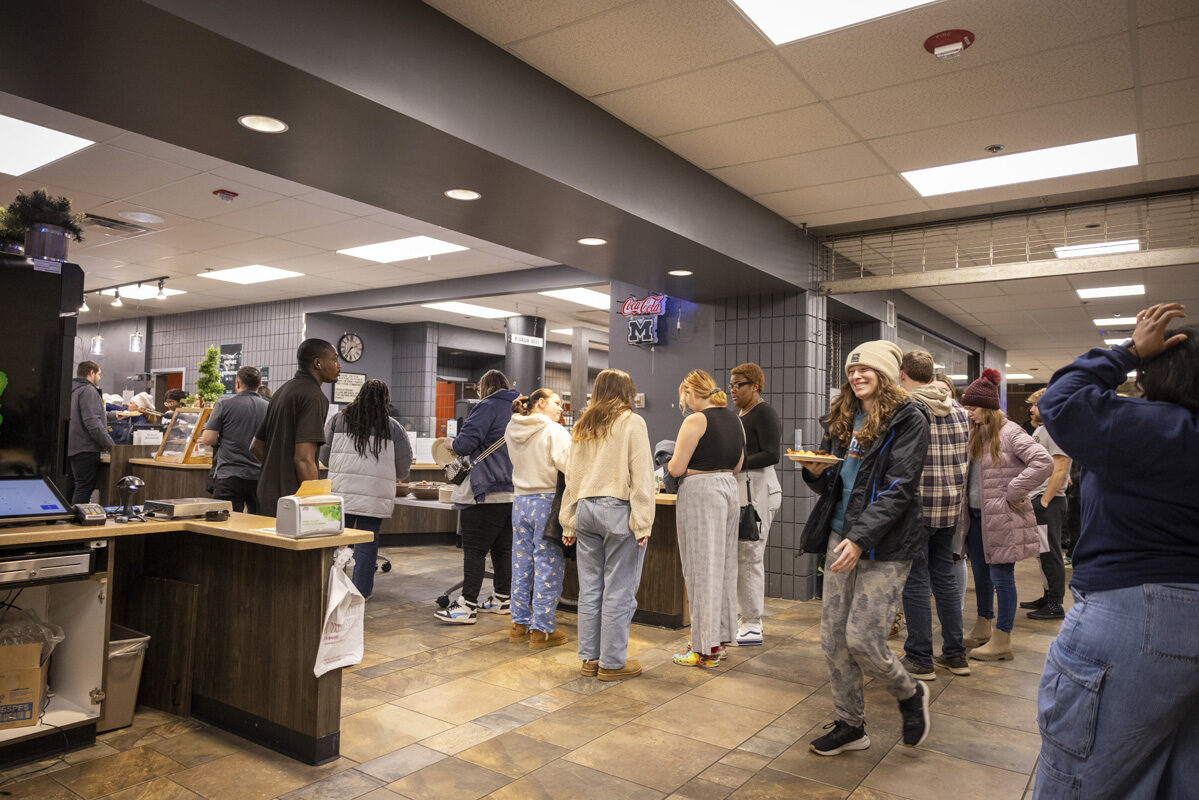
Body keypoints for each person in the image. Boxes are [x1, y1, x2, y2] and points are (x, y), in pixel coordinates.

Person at [1033, 302, 1197, 799]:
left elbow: (1061, 399)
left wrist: (1126, 349)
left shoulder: (1149, 427)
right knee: (1177, 775)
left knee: (1081, 777)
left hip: (1136, 611)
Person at [797, 341, 932, 756]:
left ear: (886, 374)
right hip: (842, 535)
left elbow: (898, 488)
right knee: (833, 638)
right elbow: (837, 482)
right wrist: (816, 473)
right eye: (852, 370)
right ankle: (851, 725)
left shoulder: (909, 418)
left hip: (886, 545)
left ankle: (909, 693)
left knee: (863, 639)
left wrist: (859, 539)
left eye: (865, 369)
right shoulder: (844, 415)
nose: (856, 375)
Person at [561, 368, 656, 681]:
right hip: (617, 510)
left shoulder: (583, 424)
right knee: (619, 589)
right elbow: (642, 475)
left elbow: (571, 477)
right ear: (625, 392)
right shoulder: (632, 422)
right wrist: (642, 522)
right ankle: (613, 663)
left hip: (586, 511)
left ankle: (590, 659)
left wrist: (569, 522)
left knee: (590, 590)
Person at [958, 369, 1052, 661]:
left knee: (1002, 578)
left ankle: (1003, 639)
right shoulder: (978, 433)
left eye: (972, 408)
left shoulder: (1011, 432)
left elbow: (1043, 462)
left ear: (986, 407)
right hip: (976, 519)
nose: (969, 413)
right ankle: (983, 626)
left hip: (1002, 518)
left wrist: (1013, 491)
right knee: (982, 576)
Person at [897, 350, 971, 681]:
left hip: (917, 507)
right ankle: (956, 655)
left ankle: (920, 657)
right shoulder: (959, 410)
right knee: (944, 578)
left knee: (915, 580)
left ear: (902, 375)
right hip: (950, 506)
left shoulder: (909, 408)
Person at [667, 370, 743, 668]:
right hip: (728, 488)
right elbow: (737, 466)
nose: (683, 401)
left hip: (701, 493)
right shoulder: (735, 419)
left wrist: (677, 466)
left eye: (683, 395)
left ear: (691, 392)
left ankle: (703, 649)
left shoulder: (696, 420)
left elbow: (675, 468)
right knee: (723, 568)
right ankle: (719, 640)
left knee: (701, 569)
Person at [435, 370, 519, 624]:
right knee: (503, 549)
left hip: (485, 489)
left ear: (483, 388)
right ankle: (502, 598)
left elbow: (464, 445)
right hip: (513, 491)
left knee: (474, 550)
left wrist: (450, 443)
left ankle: (466, 605)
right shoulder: (519, 409)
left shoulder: (486, 407)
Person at [319, 379, 412, 598]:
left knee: (339, 541)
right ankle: (361, 592)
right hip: (374, 495)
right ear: (385, 400)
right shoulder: (393, 427)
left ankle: (332, 587)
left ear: (360, 394)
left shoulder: (337, 420)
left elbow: (324, 456)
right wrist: (396, 476)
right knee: (367, 541)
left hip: (341, 493)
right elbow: (404, 463)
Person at [505, 388, 571, 648]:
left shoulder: (512, 428)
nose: (561, 408)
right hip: (546, 502)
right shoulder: (553, 430)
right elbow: (570, 466)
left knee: (520, 564)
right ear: (541, 403)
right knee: (548, 564)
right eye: (557, 402)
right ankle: (541, 630)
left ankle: (518, 623)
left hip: (519, 501)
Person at [250, 339, 340, 514]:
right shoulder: (314, 397)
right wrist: (317, 505)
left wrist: (278, 472)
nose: (339, 366)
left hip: (266, 493)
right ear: (318, 363)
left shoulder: (282, 391)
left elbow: (256, 446)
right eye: (334, 359)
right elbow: (304, 458)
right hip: (293, 500)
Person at [727, 362, 782, 647]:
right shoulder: (740, 413)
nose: (732, 390)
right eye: (731, 385)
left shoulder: (764, 412)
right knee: (742, 556)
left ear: (755, 386)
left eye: (739, 385)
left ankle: (752, 622)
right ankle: (744, 616)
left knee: (750, 556)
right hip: (744, 491)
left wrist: (735, 463)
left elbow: (772, 454)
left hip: (759, 491)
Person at [1019, 388, 1071, 621]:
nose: (1031, 410)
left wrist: (1045, 500)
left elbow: (1061, 467)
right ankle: (1047, 594)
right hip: (1039, 499)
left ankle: (1055, 603)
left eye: (1035, 405)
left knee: (1050, 553)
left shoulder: (1057, 430)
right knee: (1041, 552)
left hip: (1048, 502)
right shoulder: (1041, 430)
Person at [201, 367, 270, 513]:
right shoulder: (269, 407)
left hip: (229, 475)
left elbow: (208, 438)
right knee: (257, 524)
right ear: (260, 384)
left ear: (237, 383)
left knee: (226, 524)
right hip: (259, 476)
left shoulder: (224, 405)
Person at [65, 361, 114, 504]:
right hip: (86, 447)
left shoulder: (71, 389)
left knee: (70, 486)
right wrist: (111, 446)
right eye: (99, 374)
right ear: (91, 373)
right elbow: (92, 423)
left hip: (70, 447)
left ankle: (63, 520)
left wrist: (113, 415)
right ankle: (76, 523)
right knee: (84, 488)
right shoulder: (88, 390)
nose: (99, 378)